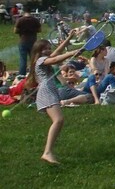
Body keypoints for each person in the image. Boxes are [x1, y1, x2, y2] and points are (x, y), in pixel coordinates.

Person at [28, 30, 83, 164]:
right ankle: (47, 152)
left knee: (59, 120)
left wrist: (69, 38)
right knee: (58, 120)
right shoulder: (41, 60)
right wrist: (72, 53)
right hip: (46, 91)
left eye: (48, 48)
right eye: (45, 49)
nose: (48, 50)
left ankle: (48, 151)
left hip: (50, 90)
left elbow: (56, 53)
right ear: (38, 51)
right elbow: (56, 58)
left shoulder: (43, 58)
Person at [14, 11, 42, 76]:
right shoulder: (35, 20)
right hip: (33, 41)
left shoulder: (20, 20)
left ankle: (22, 74)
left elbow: (15, 31)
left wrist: (21, 31)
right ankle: (34, 73)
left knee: (23, 59)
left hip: (23, 41)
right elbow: (40, 30)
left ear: (24, 13)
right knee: (33, 58)